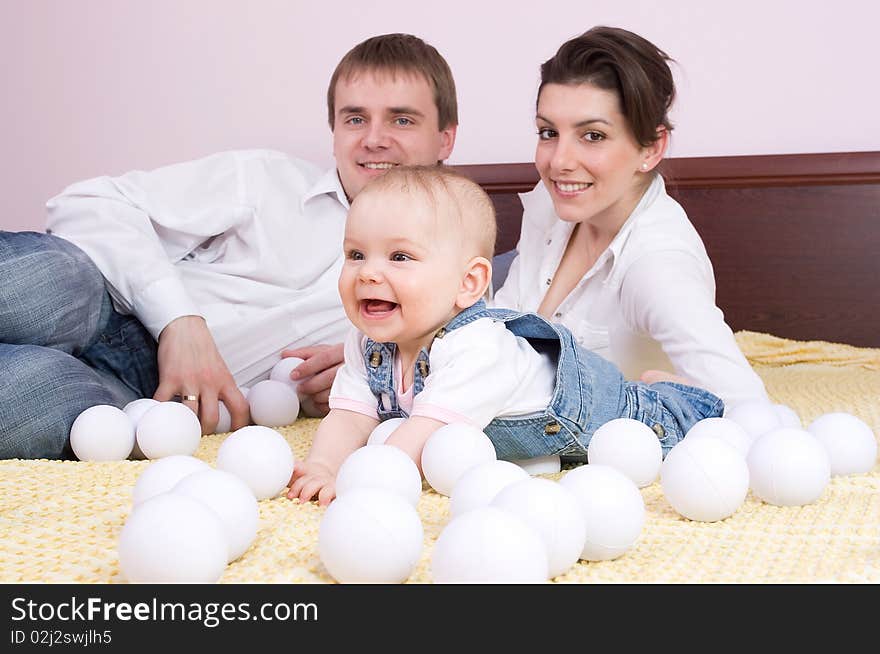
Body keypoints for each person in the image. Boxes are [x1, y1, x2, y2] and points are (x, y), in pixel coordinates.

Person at [0, 33, 458, 460]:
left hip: (138, 397)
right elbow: (86, 203)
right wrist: (179, 322)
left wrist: (371, 378)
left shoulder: (455, 285)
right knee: (56, 276)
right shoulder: (265, 181)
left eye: (402, 119)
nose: (374, 138)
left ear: (445, 138)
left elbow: (450, 391)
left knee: (33, 395)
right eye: (355, 118)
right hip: (106, 301)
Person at [287, 166, 724, 505]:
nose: (369, 273)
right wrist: (324, 465)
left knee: (667, 424)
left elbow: (421, 437)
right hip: (524, 426)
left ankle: (675, 393)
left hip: (587, 410)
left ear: (468, 284)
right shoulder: (368, 345)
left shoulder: (476, 346)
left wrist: (363, 480)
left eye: (400, 256)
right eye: (356, 254)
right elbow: (349, 416)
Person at [492, 26, 768, 409]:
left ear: (651, 149)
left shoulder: (656, 265)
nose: (558, 162)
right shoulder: (550, 205)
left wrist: (689, 408)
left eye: (592, 136)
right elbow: (499, 333)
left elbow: (749, 406)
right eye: (548, 132)